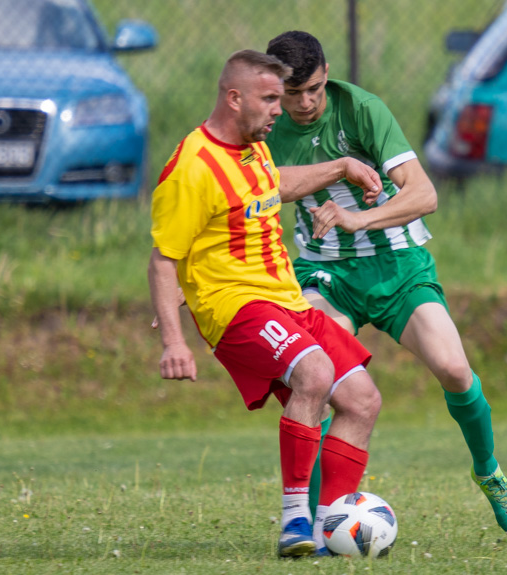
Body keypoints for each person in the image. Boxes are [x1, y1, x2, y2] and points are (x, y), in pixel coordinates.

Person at [265, 31, 507, 538]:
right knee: (317, 382)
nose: (305, 103)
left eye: (314, 88)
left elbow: (424, 194)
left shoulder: (360, 109)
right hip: (326, 274)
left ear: (327, 74)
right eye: (292, 93)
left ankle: (488, 471)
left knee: (454, 369)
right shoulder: (266, 126)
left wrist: (360, 219)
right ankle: (318, 525)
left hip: (398, 266)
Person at [148, 49, 385, 558]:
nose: (281, 109)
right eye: (271, 98)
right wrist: (174, 339)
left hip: (285, 300)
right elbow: (165, 259)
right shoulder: (192, 167)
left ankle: (330, 528)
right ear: (234, 99)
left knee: (363, 401)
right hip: (232, 307)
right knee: (315, 375)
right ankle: (294, 522)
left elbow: (277, 187)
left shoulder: (254, 148)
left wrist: (342, 166)